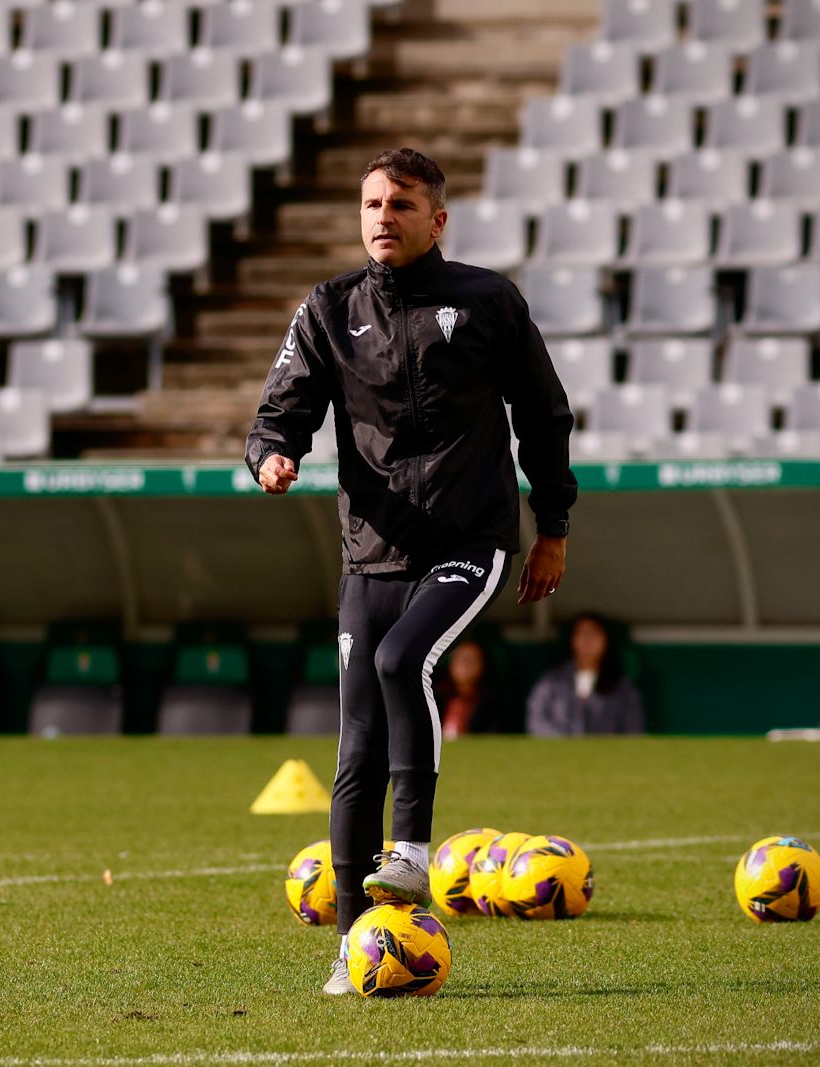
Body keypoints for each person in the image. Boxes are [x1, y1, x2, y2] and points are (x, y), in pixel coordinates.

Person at [245, 148, 577, 995]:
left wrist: (555, 525)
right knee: (354, 748)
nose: (382, 216)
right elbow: (282, 408)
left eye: (401, 203)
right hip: (372, 549)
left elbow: (544, 415)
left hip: (472, 539)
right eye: (370, 203)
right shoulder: (328, 308)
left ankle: (416, 850)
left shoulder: (489, 301)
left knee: (405, 660)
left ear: (438, 220)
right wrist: (272, 454)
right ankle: (356, 942)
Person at [526, 613, 645, 736]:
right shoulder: (552, 681)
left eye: (594, 634)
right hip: (559, 752)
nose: (587, 640)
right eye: (582, 634)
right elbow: (536, 722)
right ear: (572, 640)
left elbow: (633, 729)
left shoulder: (623, 687)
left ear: (606, 640)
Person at [439, 638, 490, 739]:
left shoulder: (490, 703)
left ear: (482, 665)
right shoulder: (435, 696)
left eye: (471, 660)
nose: (465, 665)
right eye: (461, 659)